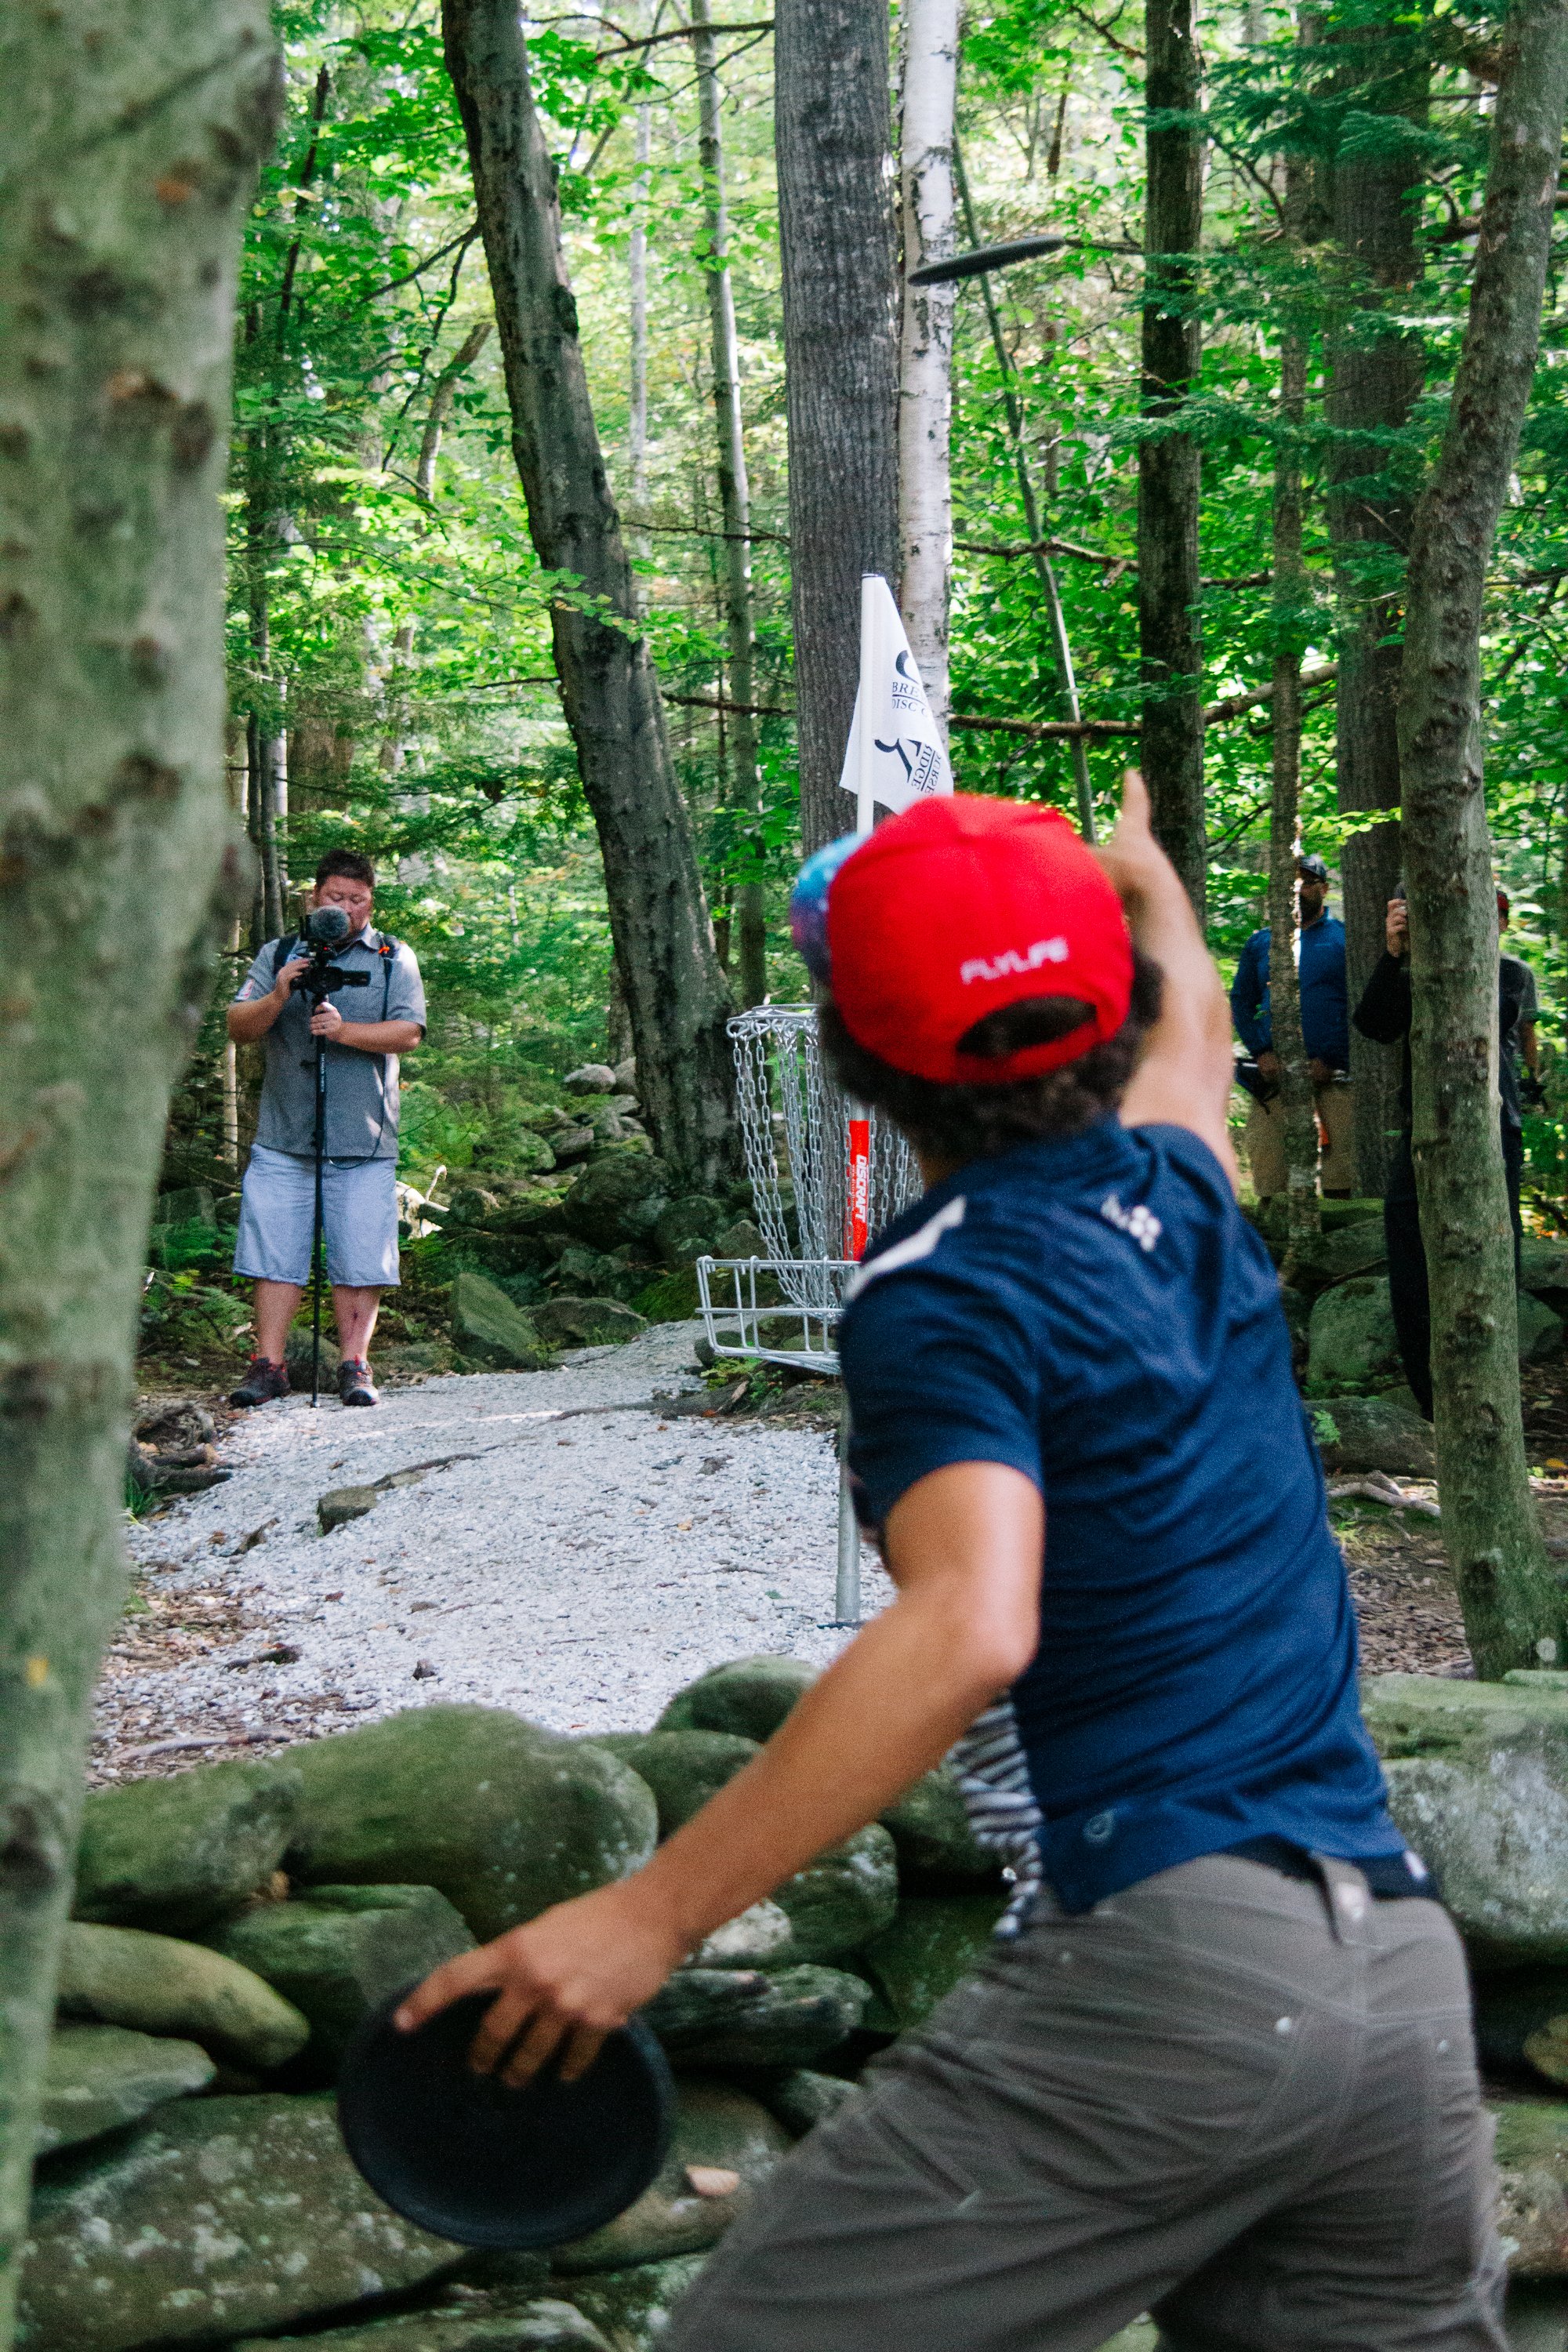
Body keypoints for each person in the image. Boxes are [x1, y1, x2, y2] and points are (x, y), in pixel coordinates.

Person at [397, 778, 1501, 2351]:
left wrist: (645, 1917)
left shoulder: (946, 1290)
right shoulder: (1181, 1188)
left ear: (852, 1056)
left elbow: (973, 1623)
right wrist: (1132, 868)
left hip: (1174, 1970)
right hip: (1392, 1971)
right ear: (1106, 1007)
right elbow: (1188, 1011)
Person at [226, 850, 426, 1409]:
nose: (345, 908)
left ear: (371, 902)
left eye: (357, 900)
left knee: (362, 1256)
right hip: (284, 1137)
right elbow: (237, 1026)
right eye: (335, 897)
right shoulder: (280, 953)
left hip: (363, 1139)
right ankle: (268, 1365)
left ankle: (354, 1366)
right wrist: (279, 992)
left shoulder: (392, 956)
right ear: (315, 897)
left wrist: (343, 1032)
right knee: (272, 1254)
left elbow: (409, 1032)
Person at [1353, 884, 1538, 1421]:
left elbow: (1498, 1021)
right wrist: (1396, 955)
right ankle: (1432, 1402)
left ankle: (1496, 1394)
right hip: (1424, 1132)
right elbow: (1374, 1025)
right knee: (1409, 1252)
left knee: (1499, 1259)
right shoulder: (1412, 969)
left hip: (1495, 1128)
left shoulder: (1510, 974)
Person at [1229, 852, 1354, 1201]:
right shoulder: (1261, 943)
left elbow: (1358, 1007)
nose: (1298, 890)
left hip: (1333, 1078)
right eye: (1290, 884)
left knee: (1340, 1172)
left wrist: (1333, 1060)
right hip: (1275, 1078)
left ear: (1324, 888)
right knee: (1270, 1170)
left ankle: (1342, 1247)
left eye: (1307, 883)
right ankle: (1273, 1244)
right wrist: (1261, 1052)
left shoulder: (1344, 940)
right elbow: (1241, 1001)